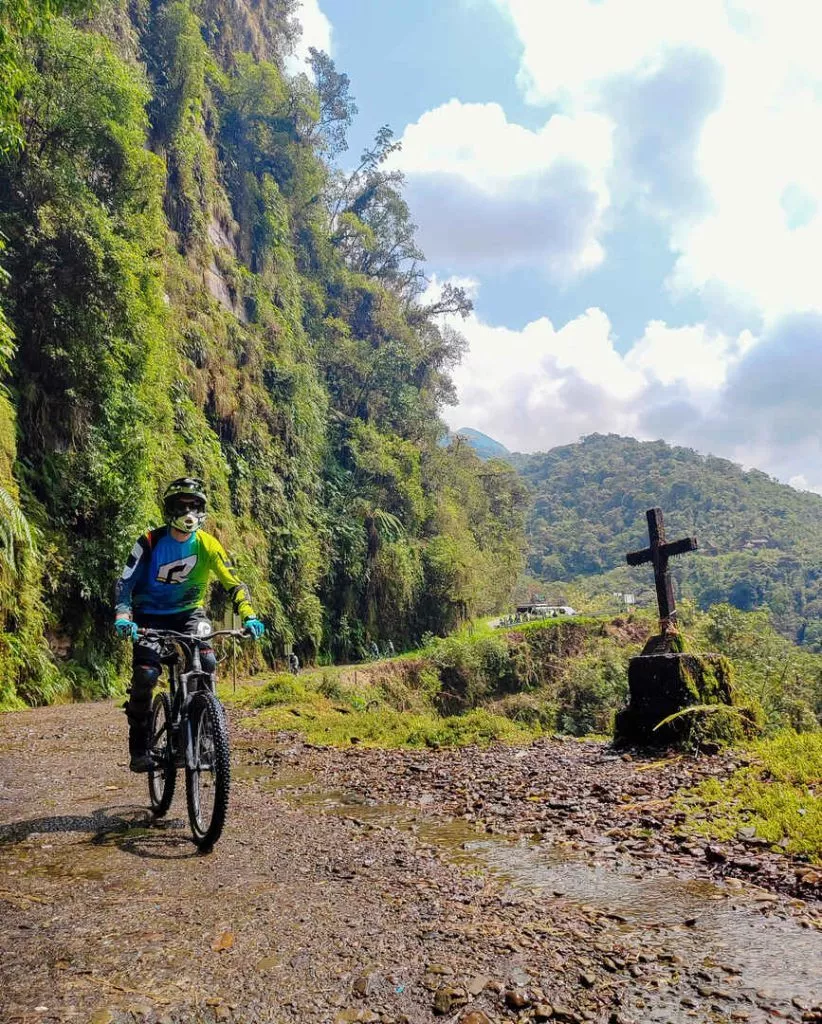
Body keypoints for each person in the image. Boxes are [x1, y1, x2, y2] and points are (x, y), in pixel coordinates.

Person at [113, 477, 265, 772]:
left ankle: (202, 734)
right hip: (149, 614)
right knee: (145, 675)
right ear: (169, 510)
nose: (188, 513)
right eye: (181, 506)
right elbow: (125, 582)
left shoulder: (208, 545)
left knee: (206, 662)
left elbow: (233, 583)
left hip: (189, 613)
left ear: (202, 510)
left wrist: (249, 615)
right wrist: (123, 616)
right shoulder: (149, 542)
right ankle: (139, 746)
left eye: (194, 506)